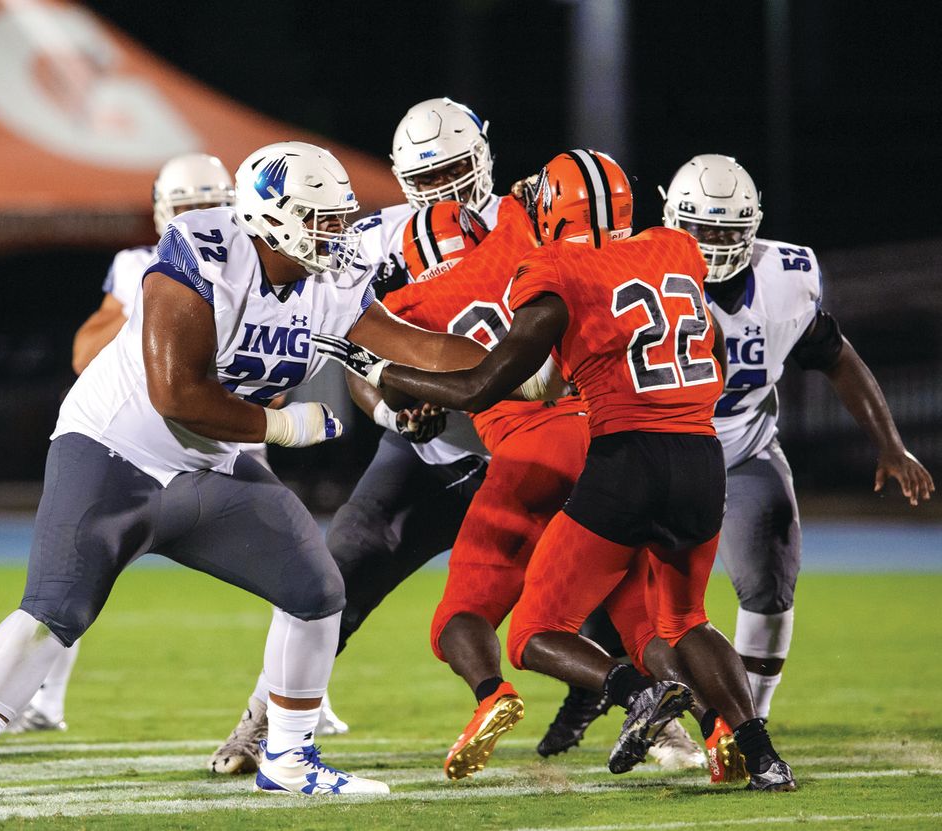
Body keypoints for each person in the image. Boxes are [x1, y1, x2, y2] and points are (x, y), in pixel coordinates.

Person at [0, 141, 496, 805]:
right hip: (113, 448)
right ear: (273, 217)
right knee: (56, 608)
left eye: (339, 218)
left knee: (316, 587)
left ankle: (290, 757)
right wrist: (282, 427)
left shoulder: (333, 277)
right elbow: (176, 394)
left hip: (208, 464)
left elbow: (416, 345)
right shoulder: (204, 250)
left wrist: (510, 369)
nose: (336, 234)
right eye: (320, 219)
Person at [315, 148, 797, 791]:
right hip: (700, 455)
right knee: (677, 618)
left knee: (519, 625)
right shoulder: (674, 248)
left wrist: (379, 374)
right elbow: (706, 338)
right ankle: (748, 745)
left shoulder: (530, 272)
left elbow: (486, 382)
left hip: (609, 455)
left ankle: (596, 694)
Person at [208, 97, 502, 775]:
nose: (445, 191)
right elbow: (352, 345)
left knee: (604, 583)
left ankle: (669, 715)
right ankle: (263, 722)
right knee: (331, 583)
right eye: (427, 178)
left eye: (456, 170)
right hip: (427, 455)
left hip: (525, 451)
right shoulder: (373, 241)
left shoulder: (527, 226)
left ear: (484, 158)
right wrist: (392, 412)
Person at [659, 154, 934, 731]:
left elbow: (837, 357)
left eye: (727, 231)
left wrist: (890, 445)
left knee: (770, 583)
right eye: (700, 229)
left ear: (752, 226)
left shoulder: (783, 282)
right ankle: (660, 722)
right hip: (651, 459)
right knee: (625, 596)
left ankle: (745, 726)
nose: (711, 243)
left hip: (742, 451)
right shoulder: (636, 276)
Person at [6, 152, 240, 737]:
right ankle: (45, 701)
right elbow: (85, 353)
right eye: (188, 208)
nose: (199, 218)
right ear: (164, 213)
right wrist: (153, 299)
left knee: (302, 574)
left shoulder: (252, 264)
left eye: (210, 206)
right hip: (137, 447)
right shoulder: (140, 264)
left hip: (225, 446)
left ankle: (298, 704)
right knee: (74, 573)